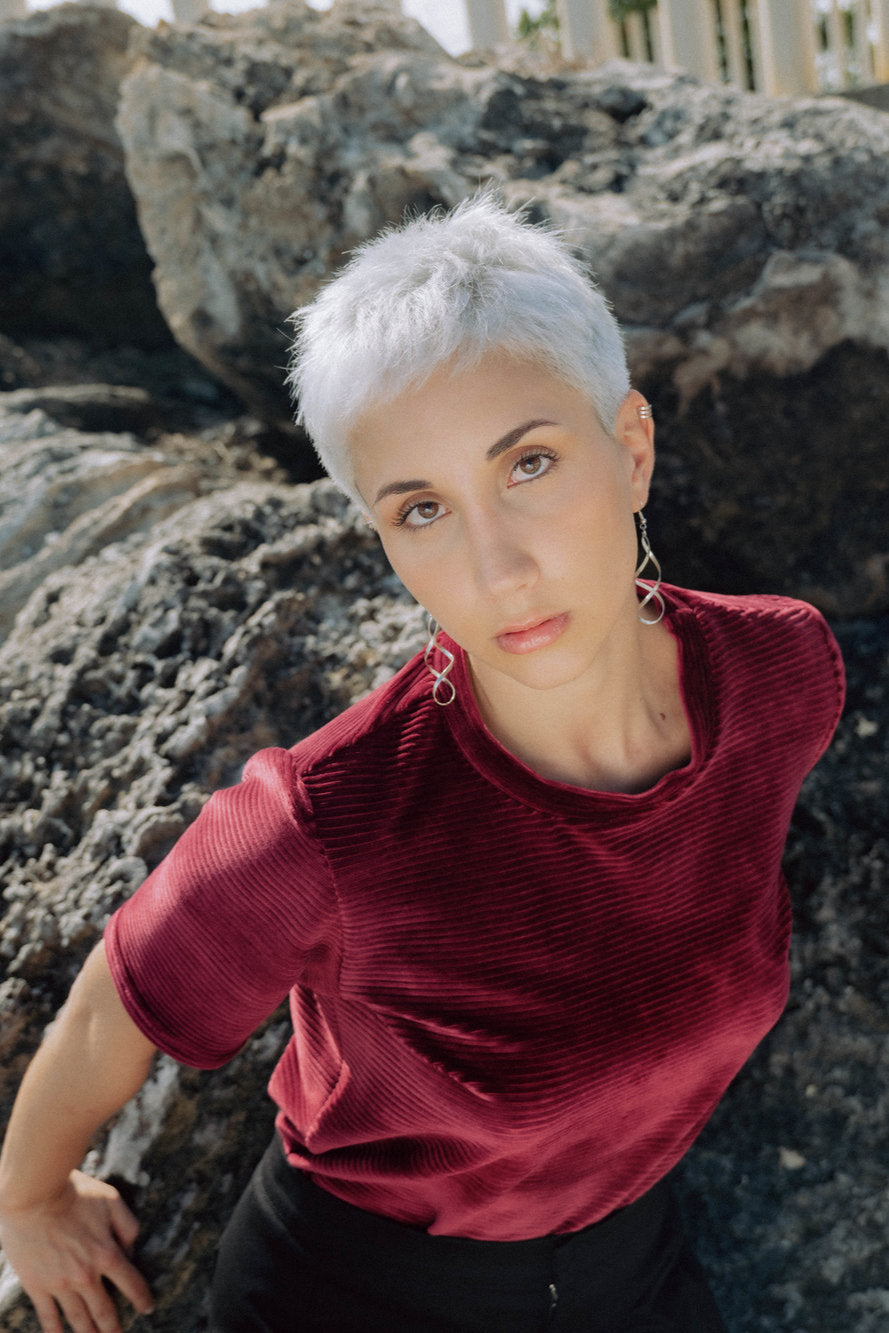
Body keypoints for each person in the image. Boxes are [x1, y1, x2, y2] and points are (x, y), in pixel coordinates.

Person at [0, 195, 845, 1333]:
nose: (494, 564)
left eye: (530, 463)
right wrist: (28, 1197)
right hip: (361, 1295)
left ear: (631, 447)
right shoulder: (327, 823)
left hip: (633, 1267)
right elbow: (118, 1002)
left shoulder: (780, 675)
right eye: (422, 508)